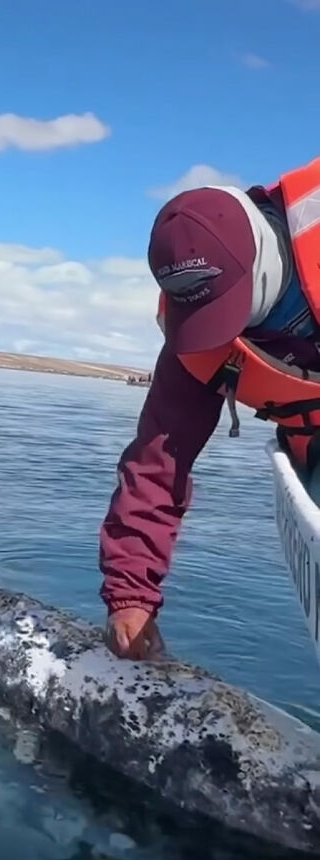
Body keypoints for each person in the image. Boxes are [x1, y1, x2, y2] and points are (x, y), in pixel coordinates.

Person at [99, 155, 320, 660]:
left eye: (224, 307)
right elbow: (158, 460)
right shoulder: (195, 331)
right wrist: (130, 594)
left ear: (261, 270)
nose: (217, 329)